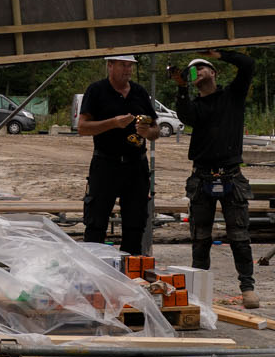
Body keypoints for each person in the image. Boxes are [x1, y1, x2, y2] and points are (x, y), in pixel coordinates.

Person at [174, 50, 259, 309]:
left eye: (202, 67)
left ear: (214, 72)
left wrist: (219, 53)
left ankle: (247, 288)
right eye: (193, 70)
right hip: (202, 177)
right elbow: (184, 116)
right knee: (200, 238)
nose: (198, 71)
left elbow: (248, 63)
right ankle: (200, 291)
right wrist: (180, 88)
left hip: (231, 175)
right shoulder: (196, 107)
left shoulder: (232, 96)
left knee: (239, 236)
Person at [77, 54, 159, 255]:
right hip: (106, 164)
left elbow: (155, 130)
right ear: (110, 65)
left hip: (136, 166)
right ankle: (95, 273)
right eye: (123, 65)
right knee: (96, 223)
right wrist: (113, 123)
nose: (128, 70)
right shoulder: (97, 90)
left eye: (130, 66)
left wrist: (147, 132)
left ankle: (130, 276)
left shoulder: (139, 92)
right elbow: (82, 127)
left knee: (135, 223)